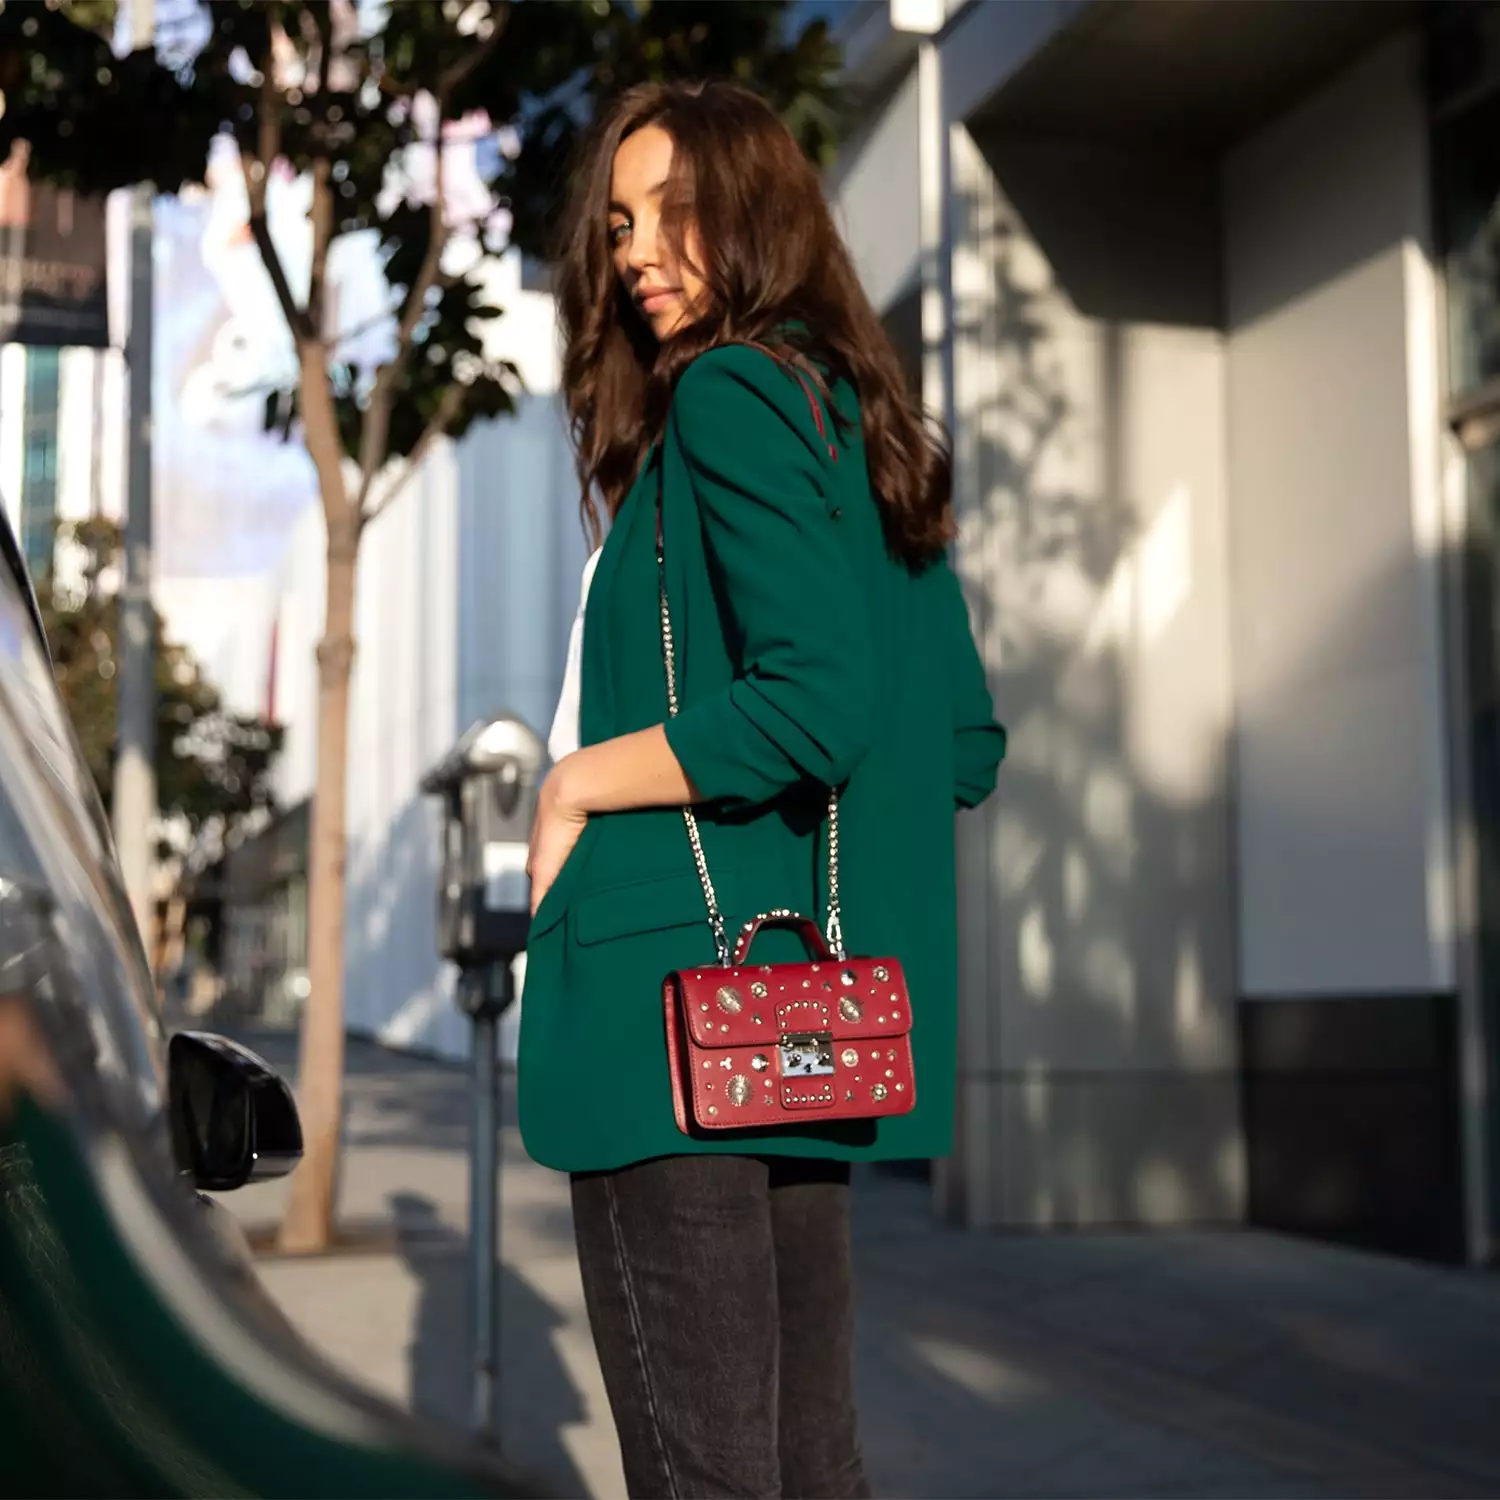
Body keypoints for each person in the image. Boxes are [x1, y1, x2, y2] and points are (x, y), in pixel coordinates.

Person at [521, 80, 1006, 1500]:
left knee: (706, 1476)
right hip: (791, 1034)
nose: (636, 254)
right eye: (618, 224)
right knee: (806, 1469)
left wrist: (572, 790)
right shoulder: (862, 419)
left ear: (756, 213)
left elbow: (816, 702)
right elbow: (958, 740)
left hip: (669, 1021)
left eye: (675, 213)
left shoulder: (728, 394)